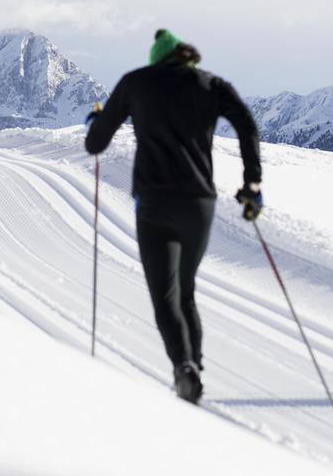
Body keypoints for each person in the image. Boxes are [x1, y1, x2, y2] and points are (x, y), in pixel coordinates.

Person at [85, 29, 263, 403]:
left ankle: (184, 367)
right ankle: (194, 367)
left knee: (165, 294)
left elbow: (96, 142)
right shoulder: (212, 84)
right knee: (186, 292)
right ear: (187, 58)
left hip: (155, 202)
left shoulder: (137, 81)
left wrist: (95, 123)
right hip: (199, 203)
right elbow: (247, 125)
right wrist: (252, 183)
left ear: (157, 59)